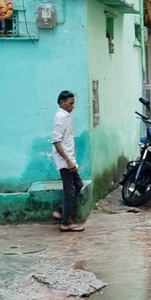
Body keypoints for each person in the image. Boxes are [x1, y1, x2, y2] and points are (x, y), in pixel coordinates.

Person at [50, 90, 85, 232]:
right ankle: (66, 222)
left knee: (78, 184)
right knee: (69, 191)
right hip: (65, 160)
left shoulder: (67, 116)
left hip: (69, 158)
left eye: (74, 102)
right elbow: (56, 141)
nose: (73, 105)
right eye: (70, 103)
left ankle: (60, 211)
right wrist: (68, 161)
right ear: (62, 103)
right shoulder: (60, 117)